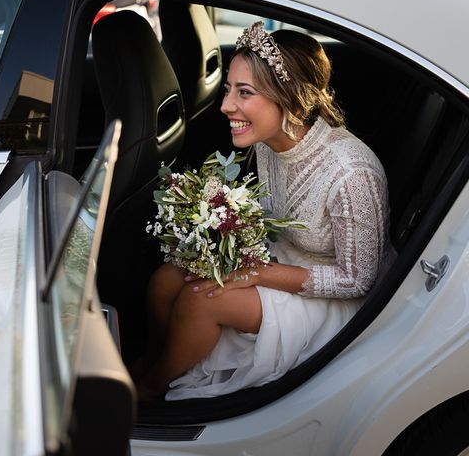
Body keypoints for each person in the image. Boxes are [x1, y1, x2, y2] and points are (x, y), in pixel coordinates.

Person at [134, 21, 393, 401]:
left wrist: (257, 272)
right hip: (279, 257)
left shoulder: (352, 172)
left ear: (288, 99)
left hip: (337, 300)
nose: (226, 106)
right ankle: (153, 360)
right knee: (167, 279)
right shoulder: (271, 142)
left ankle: (151, 389)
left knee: (201, 299)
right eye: (227, 90)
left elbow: (358, 280)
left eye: (245, 93)